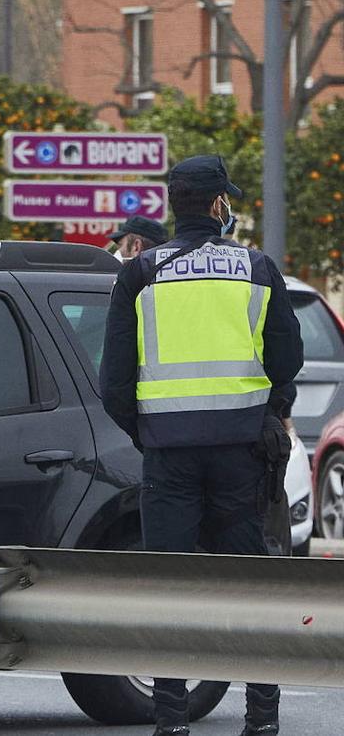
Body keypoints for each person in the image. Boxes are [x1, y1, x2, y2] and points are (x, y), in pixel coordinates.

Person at [100, 155, 303, 736]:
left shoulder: (140, 272)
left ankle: (172, 718)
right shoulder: (256, 267)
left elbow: (115, 381)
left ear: (175, 205)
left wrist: (152, 432)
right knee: (249, 582)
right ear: (219, 206)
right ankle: (262, 716)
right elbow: (287, 360)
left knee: (170, 583)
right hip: (242, 452)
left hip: (169, 455)